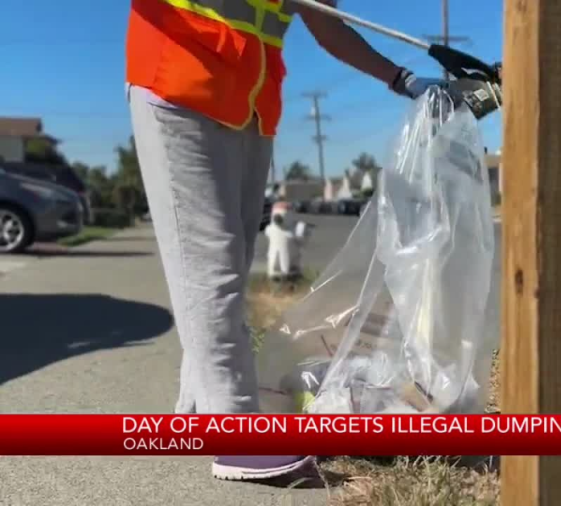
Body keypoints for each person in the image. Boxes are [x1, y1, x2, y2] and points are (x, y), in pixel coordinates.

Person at [125, 0, 447, 481]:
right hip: (178, 83)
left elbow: (327, 26)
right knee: (209, 269)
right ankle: (234, 433)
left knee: (232, 260)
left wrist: (402, 79)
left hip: (248, 103)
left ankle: (195, 410)